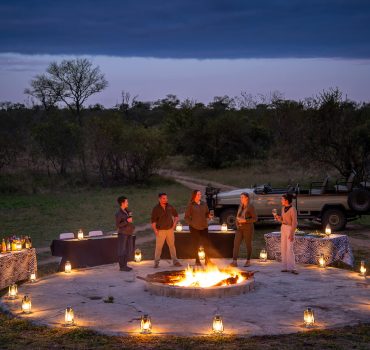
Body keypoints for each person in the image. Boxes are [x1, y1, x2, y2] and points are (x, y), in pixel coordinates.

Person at [151, 192, 182, 268]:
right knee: (159, 247)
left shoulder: (170, 207)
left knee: (172, 246)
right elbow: (153, 221)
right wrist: (155, 230)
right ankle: (156, 263)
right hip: (160, 231)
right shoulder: (156, 209)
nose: (166, 200)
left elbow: (176, 216)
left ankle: (175, 261)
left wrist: (174, 225)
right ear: (159, 199)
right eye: (164, 198)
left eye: (166, 198)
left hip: (170, 230)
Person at [273, 193, 298, 274]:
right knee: (283, 247)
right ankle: (285, 266)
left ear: (286, 200)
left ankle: (292, 267)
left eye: (282, 199)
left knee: (289, 248)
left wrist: (292, 233)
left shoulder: (293, 209)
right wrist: (278, 217)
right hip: (283, 227)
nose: (281, 201)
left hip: (290, 228)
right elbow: (283, 220)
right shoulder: (283, 208)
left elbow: (294, 222)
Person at [230, 192, 257, 267]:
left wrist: (245, 221)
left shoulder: (250, 207)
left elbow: (255, 218)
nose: (241, 199)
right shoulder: (241, 206)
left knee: (248, 244)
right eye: (240, 197)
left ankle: (248, 260)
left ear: (247, 198)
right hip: (239, 228)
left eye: (242, 197)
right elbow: (238, 216)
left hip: (248, 228)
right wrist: (237, 223)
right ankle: (234, 261)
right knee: (236, 244)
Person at [185, 189, 211, 266]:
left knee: (206, 244)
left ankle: (207, 259)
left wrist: (209, 216)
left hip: (204, 226)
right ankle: (197, 260)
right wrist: (192, 224)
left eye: (200, 194)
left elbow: (206, 213)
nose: (200, 195)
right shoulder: (191, 205)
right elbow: (186, 217)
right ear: (194, 196)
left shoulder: (204, 204)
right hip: (194, 228)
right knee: (196, 245)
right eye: (198, 194)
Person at [115, 196, 135, 272]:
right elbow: (118, 225)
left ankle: (125, 265)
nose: (127, 203)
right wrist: (127, 221)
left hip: (129, 233)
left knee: (128, 249)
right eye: (126, 202)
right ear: (122, 203)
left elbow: (130, 220)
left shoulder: (127, 211)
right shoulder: (118, 213)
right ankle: (122, 267)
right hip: (123, 234)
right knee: (122, 250)